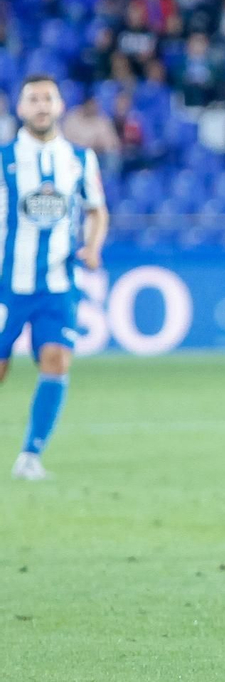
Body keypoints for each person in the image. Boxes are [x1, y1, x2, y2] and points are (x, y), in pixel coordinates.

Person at [1, 75, 109, 480]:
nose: (42, 106)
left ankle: (30, 455)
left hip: (58, 283)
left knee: (57, 359)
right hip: (7, 283)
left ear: (60, 106)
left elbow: (97, 210)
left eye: (48, 98)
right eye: (33, 99)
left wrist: (93, 246)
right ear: (21, 108)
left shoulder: (79, 160)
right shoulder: (4, 158)